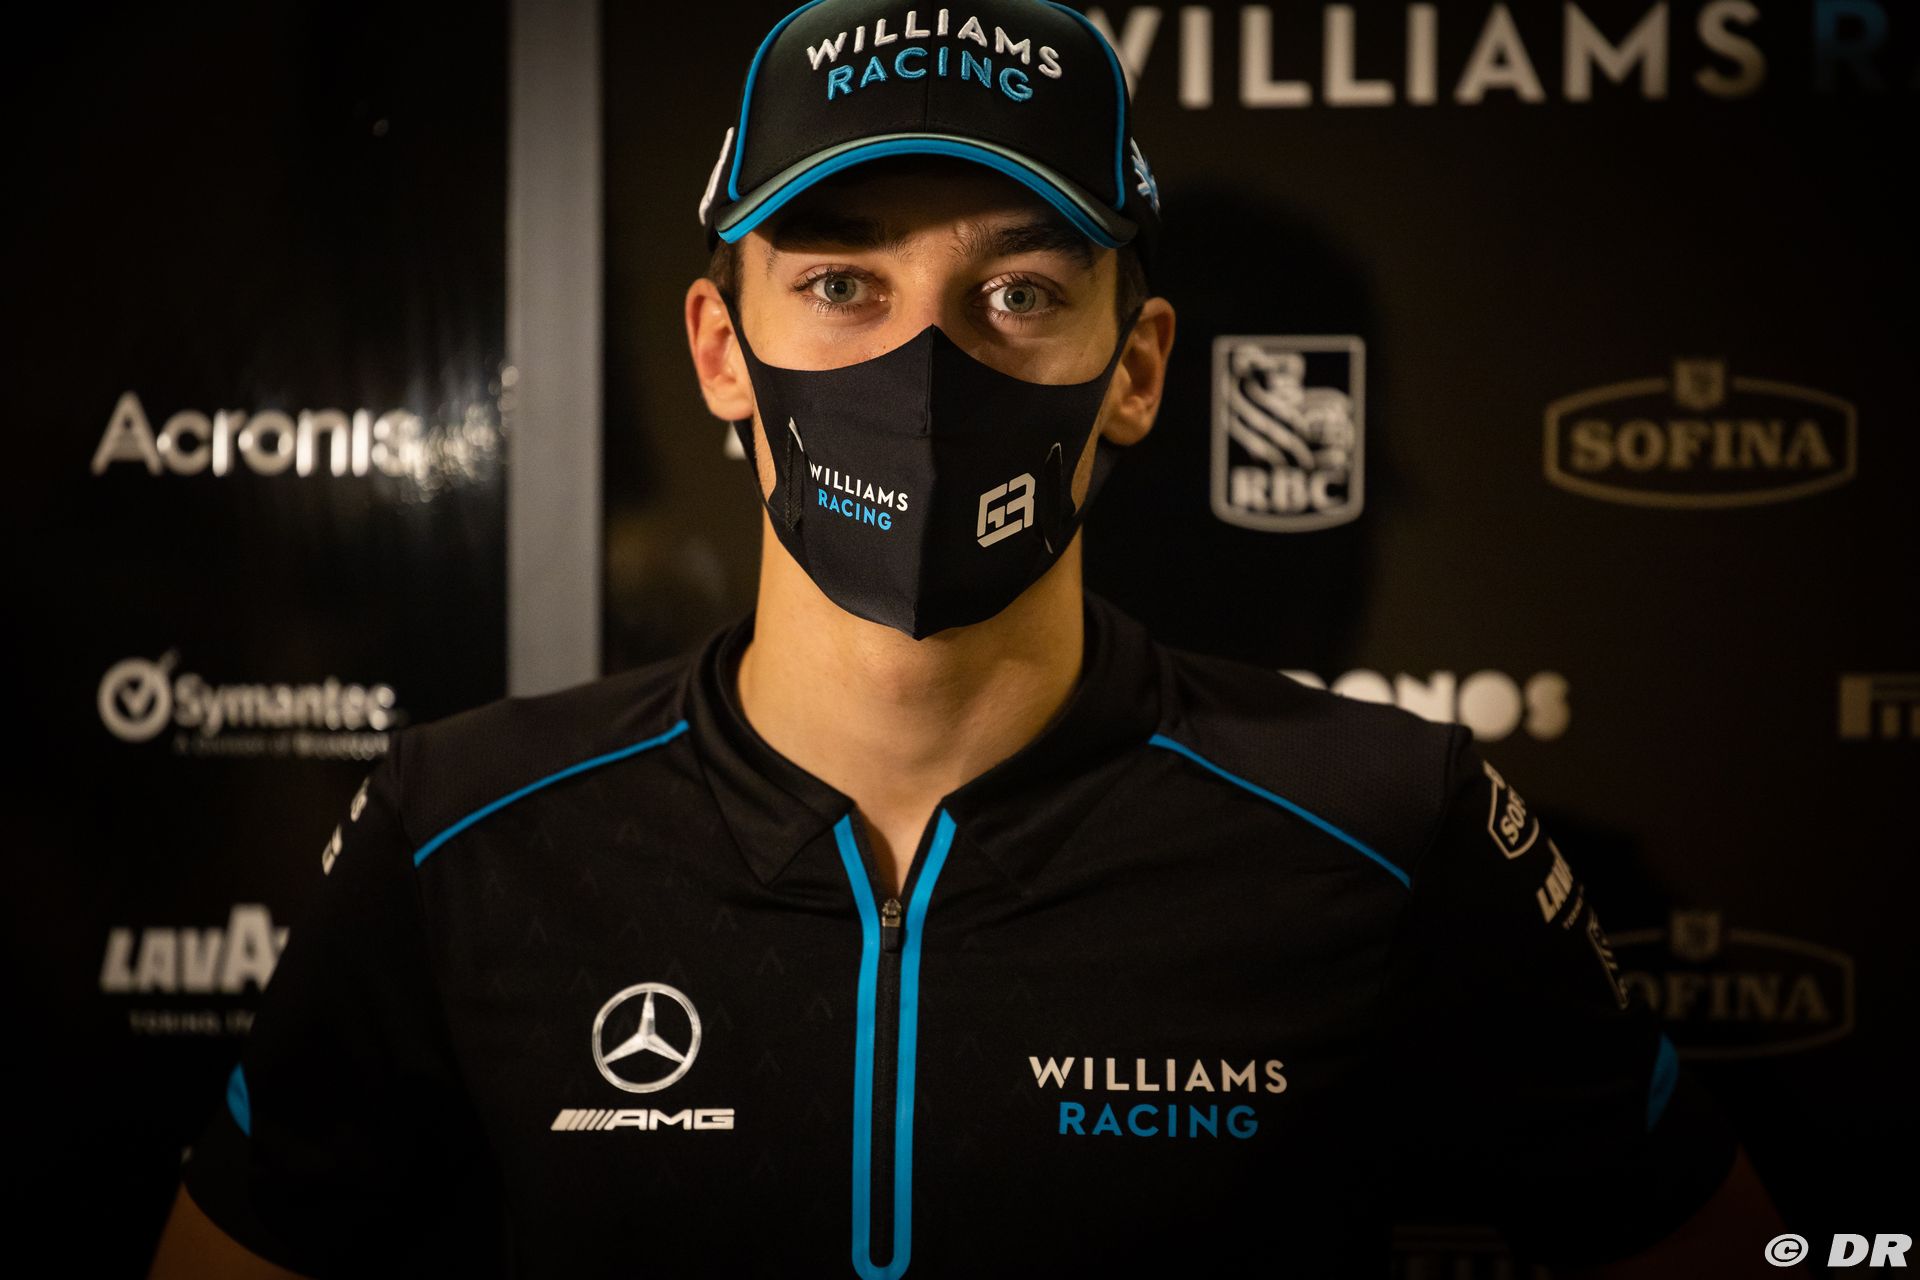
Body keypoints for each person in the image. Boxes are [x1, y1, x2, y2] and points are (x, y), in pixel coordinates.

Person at [151, 1, 1794, 1276]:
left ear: (1136, 370)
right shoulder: (465, 830)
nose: (924, 366)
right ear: (720, 350)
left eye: (1018, 293)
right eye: (841, 286)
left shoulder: (1385, 823)